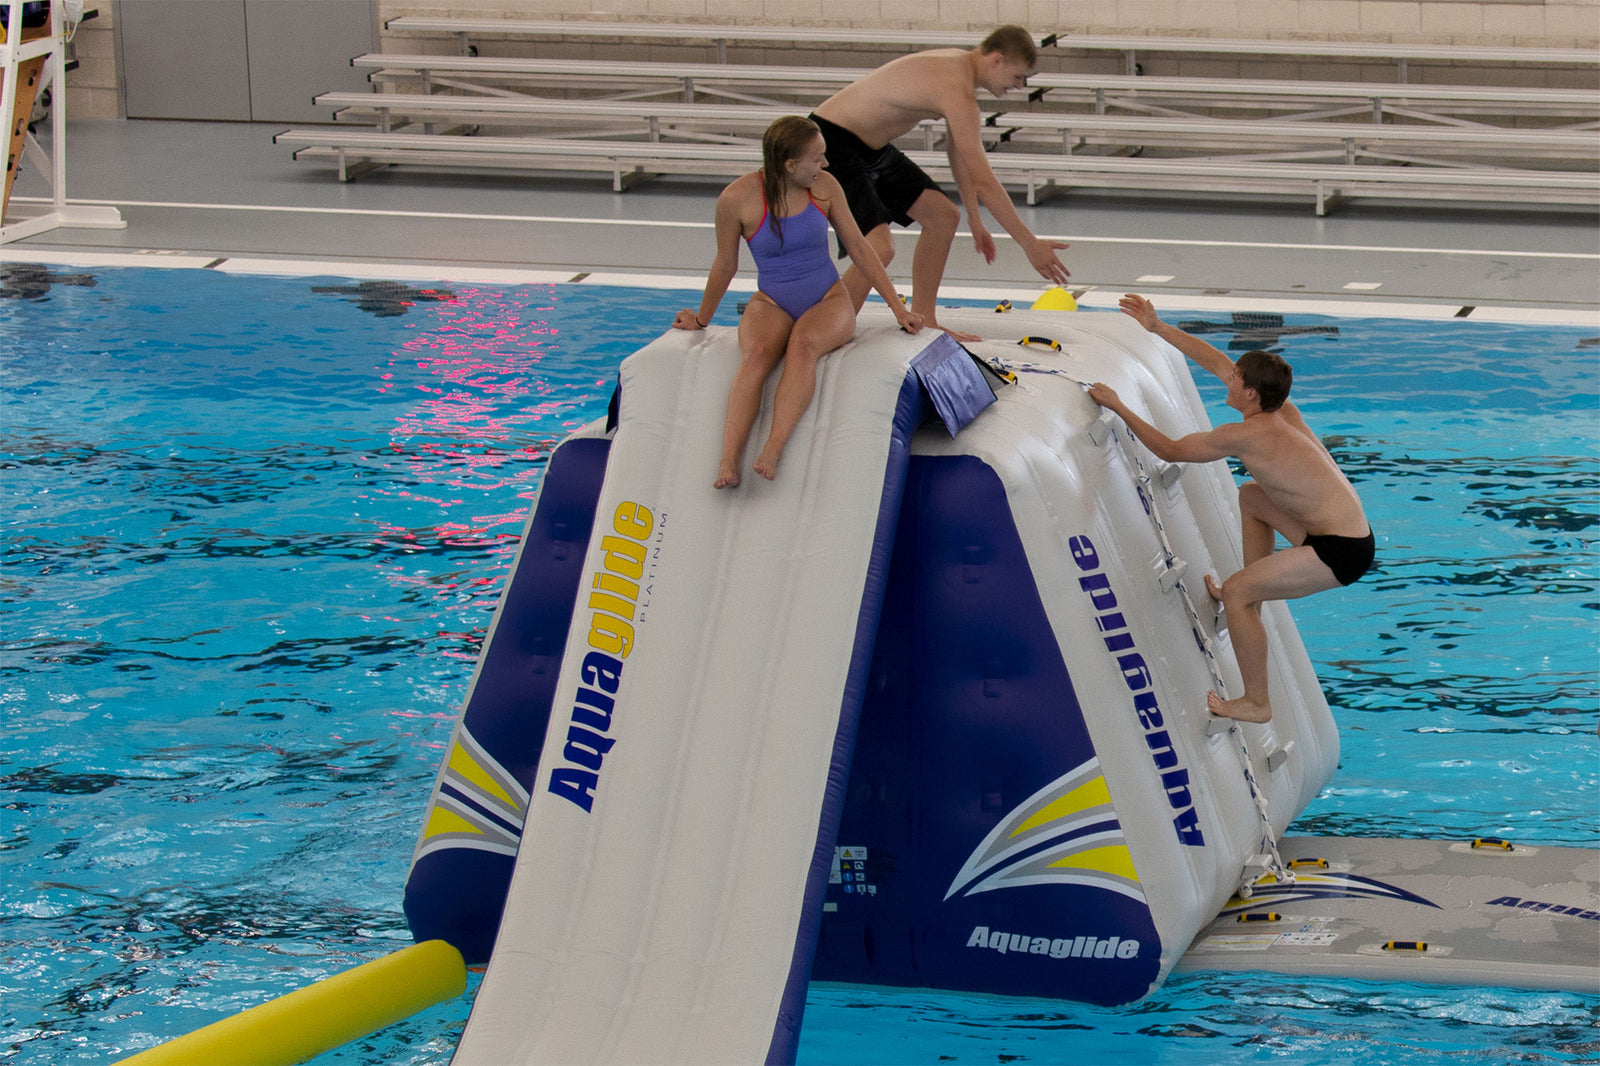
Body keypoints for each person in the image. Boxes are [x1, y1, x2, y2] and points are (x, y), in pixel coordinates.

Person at [1087, 294, 1375, 724]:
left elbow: (1169, 448)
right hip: (1343, 531)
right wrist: (1157, 326)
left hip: (1341, 551)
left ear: (1251, 393)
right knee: (1252, 496)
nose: (1227, 379)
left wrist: (1117, 404)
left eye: (1235, 379)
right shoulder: (1281, 410)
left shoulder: (1248, 436)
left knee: (1238, 591)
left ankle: (1257, 701)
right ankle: (1248, 597)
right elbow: (1217, 360)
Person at [674, 115, 922, 489]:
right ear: (790, 165)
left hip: (827, 298)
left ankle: (773, 448)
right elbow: (726, 264)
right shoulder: (736, 200)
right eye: (817, 158)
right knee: (756, 353)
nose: (824, 164)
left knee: (803, 345)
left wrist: (899, 309)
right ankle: (728, 461)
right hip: (772, 301)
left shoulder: (825, 187)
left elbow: (859, 248)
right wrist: (702, 318)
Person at [809, 25, 1071, 341]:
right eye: (1017, 77)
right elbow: (984, 180)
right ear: (997, 60)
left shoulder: (961, 73)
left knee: (944, 216)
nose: (1018, 86)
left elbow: (957, 152)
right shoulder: (957, 89)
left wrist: (975, 219)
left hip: (869, 148)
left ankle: (926, 320)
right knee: (879, 245)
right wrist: (1030, 245)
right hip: (833, 141)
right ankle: (827, 330)